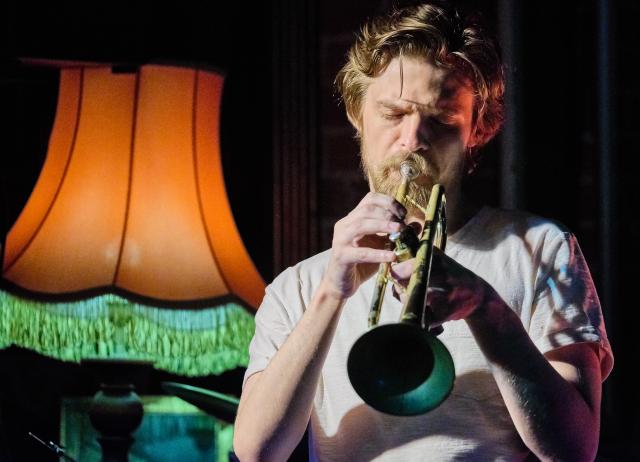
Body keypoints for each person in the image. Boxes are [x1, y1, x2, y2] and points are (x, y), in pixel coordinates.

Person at [233, 2, 614, 461]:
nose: (412, 140)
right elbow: (257, 450)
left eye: (441, 120)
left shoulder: (539, 249)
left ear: (478, 129)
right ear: (357, 114)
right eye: (393, 114)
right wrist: (331, 294)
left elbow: (575, 449)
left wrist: (487, 309)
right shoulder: (297, 287)